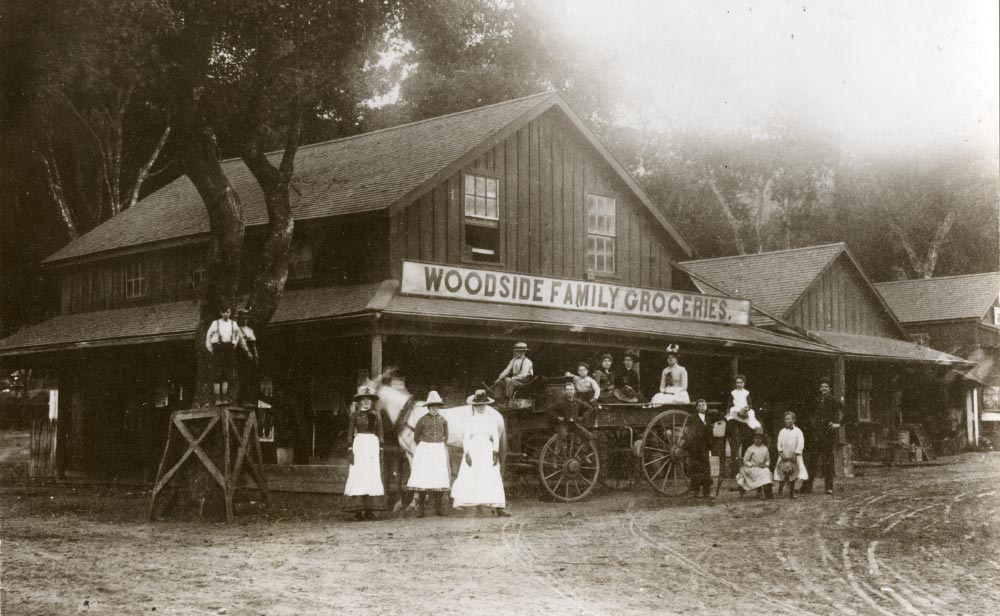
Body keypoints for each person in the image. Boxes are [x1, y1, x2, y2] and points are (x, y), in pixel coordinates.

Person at [451, 390, 510, 517]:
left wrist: (495, 452)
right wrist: (466, 453)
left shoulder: (491, 420)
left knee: (490, 475)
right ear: (474, 406)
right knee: (473, 475)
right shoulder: (471, 421)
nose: (481, 407)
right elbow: (466, 437)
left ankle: (497, 505)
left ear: (486, 406)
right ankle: (475, 505)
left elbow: (495, 436)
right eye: (478, 405)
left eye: (483, 405)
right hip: (473, 449)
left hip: (487, 449)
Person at [343, 385, 386, 520]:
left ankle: (369, 510)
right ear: (360, 401)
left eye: (368, 399)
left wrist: (381, 447)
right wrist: (350, 447)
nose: (366, 402)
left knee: (371, 474)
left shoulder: (376, 415)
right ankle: (358, 511)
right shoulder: (355, 415)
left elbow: (380, 432)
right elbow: (350, 432)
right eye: (363, 399)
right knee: (359, 474)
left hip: (372, 445)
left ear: (371, 401)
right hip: (360, 444)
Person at [406, 391, 451, 517]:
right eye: (431, 407)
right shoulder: (422, 420)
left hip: (438, 449)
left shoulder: (443, 420)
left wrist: (438, 444)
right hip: (425, 449)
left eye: (436, 406)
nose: (434, 409)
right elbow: (416, 437)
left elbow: (446, 435)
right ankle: (421, 508)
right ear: (428, 407)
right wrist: (426, 444)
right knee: (424, 477)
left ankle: (438, 508)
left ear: (439, 407)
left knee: (438, 477)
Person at [801, 378, 844, 495]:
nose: (823, 388)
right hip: (816, 434)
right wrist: (813, 422)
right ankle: (808, 487)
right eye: (822, 386)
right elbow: (808, 413)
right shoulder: (816, 400)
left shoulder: (834, 400)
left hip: (828, 435)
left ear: (829, 389)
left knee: (828, 460)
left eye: (826, 386)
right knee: (812, 460)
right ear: (820, 389)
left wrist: (837, 424)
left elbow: (847, 413)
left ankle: (828, 487)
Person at [205, 306, 242, 405]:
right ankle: (217, 398)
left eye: (228, 312)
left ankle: (224, 397)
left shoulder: (233, 323)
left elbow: (237, 334)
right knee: (218, 372)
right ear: (221, 313)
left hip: (228, 348)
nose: (227, 314)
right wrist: (210, 348)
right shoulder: (215, 323)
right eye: (225, 312)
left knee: (226, 372)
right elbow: (208, 336)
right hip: (218, 348)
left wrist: (234, 343)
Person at [724, 375, 759, 478]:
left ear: (744, 383)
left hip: (744, 411)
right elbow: (729, 404)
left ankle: (746, 469)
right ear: (735, 383)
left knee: (750, 424)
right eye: (737, 382)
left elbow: (750, 404)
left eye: (741, 382)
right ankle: (735, 471)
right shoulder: (733, 393)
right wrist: (727, 412)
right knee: (735, 441)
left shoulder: (746, 393)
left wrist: (747, 408)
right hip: (736, 411)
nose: (739, 384)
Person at [681, 399, 714, 499]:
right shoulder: (693, 418)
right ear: (697, 408)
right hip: (695, 446)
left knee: (706, 468)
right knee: (695, 468)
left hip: (705, 446)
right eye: (700, 405)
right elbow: (689, 432)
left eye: (704, 405)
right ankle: (697, 490)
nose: (702, 407)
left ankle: (707, 491)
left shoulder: (709, 417)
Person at [774, 411, 808, 499]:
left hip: (794, 456)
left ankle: (792, 492)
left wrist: (796, 453)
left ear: (794, 420)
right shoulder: (782, 431)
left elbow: (801, 443)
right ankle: (780, 490)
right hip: (784, 456)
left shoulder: (798, 431)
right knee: (782, 472)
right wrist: (781, 452)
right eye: (785, 419)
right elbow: (779, 443)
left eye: (789, 419)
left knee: (794, 473)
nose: (787, 421)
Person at [736, 428, 773, 499]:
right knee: (760, 473)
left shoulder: (765, 448)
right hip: (751, 467)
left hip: (761, 466)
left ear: (762, 439)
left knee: (766, 471)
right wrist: (753, 465)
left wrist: (766, 465)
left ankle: (768, 492)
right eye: (756, 438)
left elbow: (768, 459)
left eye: (759, 438)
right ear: (753, 439)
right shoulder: (751, 448)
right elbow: (745, 460)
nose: (757, 440)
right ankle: (759, 492)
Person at [235, 308, 259, 407]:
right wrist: (247, 352)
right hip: (243, 353)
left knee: (251, 376)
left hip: (252, 352)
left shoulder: (250, 330)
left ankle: (251, 398)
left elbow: (254, 344)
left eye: (246, 319)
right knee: (244, 375)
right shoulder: (238, 329)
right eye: (243, 318)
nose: (245, 320)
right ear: (239, 319)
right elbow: (242, 342)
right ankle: (243, 399)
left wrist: (256, 355)